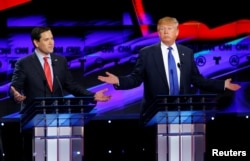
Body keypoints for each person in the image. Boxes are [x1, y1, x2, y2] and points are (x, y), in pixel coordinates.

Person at [98, 16, 241, 116]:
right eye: (162, 29)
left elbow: (197, 80)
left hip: (182, 112)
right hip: (155, 112)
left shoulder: (187, 52)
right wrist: (119, 81)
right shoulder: (147, 53)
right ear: (158, 33)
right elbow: (136, 79)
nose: (166, 32)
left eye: (170, 28)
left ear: (177, 32)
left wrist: (222, 84)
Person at [9, 26, 111, 109]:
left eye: (52, 38)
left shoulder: (60, 61)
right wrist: (15, 95)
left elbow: (71, 85)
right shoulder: (24, 63)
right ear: (36, 42)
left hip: (57, 115)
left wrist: (92, 96)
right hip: (34, 117)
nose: (51, 42)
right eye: (46, 39)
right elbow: (15, 87)